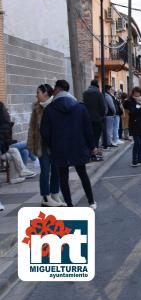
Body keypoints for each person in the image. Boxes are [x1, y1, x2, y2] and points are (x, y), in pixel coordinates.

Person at [41, 80, 96, 208]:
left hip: (59, 148)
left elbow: (45, 132)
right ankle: (91, 202)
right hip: (79, 146)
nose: (53, 92)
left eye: (54, 89)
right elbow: (88, 128)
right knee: (83, 174)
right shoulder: (80, 107)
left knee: (63, 178)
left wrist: (51, 145)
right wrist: (92, 146)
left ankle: (70, 206)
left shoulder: (49, 109)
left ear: (58, 89)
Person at [27, 84, 64, 206]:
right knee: (45, 170)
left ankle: (55, 194)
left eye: (38, 92)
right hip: (42, 144)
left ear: (46, 93)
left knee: (56, 170)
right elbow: (32, 127)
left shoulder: (55, 105)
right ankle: (46, 197)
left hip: (56, 143)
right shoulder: (36, 107)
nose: (36, 95)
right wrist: (31, 144)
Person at [124, 87, 141, 167]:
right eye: (135, 92)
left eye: (138, 92)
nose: (137, 94)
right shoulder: (130, 101)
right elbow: (134, 113)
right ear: (133, 93)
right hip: (134, 123)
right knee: (137, 142)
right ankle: (134, 160)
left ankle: (140, 158)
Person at [83, 80, 106, 161]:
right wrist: (102, 116)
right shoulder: (98, 94)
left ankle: (89, 154)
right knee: (96, 138)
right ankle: (95, 155)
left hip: (87, 119)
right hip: (97, 119)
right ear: (97, 86)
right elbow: (103, 107)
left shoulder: (85, 93)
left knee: (89, 137)